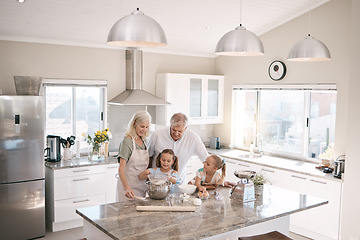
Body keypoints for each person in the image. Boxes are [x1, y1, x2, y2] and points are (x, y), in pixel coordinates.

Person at [148, 113, 208, 184]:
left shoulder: (193, 138)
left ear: (186, 128)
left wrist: (203, 178)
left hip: (178, 183)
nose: (176, 134)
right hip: (156, 182)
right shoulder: (157, 134)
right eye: (173, 130)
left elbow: (206, 160)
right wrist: (148, 176)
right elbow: (149, 156)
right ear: (170, 125)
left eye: (179, 131)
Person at [116, 110, 151, 201]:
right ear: (134, 123)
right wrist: (126, 188)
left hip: (141, 187)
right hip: (128, 189)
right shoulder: (127, 141)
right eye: (142, 126)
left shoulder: (144, 141)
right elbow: (121, 168)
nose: (144, 130)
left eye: (147, 127)